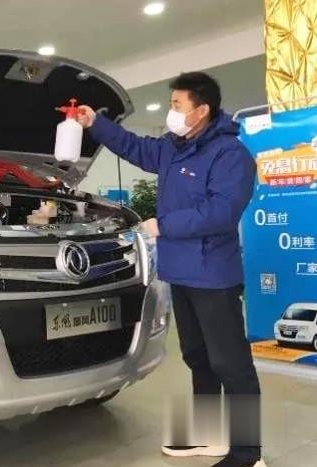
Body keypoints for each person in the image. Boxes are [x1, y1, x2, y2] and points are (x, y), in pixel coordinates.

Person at [76, 72, 264, 467]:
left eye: (177, 104)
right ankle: (206, 437)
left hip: (213, 275)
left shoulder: (230, 154)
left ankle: (248, 453)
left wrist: (163, 225)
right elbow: (135, 147)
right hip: (179, 271)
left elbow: (221, 212)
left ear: (202, 110)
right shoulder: (174, 148)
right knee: (196, 356)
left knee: (231, 363)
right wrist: (96, 123)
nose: (171, 111)